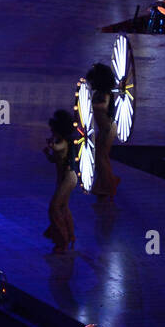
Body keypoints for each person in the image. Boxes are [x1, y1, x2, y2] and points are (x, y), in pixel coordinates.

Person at [43, 109, 77, 253]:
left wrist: (51, 145)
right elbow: (54, 159)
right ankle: (69, 236)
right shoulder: (61, 141)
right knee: (63, 207)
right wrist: (47, 153)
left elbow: (58, 147)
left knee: (54, 207)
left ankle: (62, 240)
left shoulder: (63, 142)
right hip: (64, 178)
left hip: (68, 178)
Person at [85, 63, 120, 199]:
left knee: (100, 157)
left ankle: (109, 185)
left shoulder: (104, 94)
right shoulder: (100, 93)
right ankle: (108, 181)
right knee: (101, 156)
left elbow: (103, 106)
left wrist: (89, 105)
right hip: (104, 128)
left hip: (107, 129)